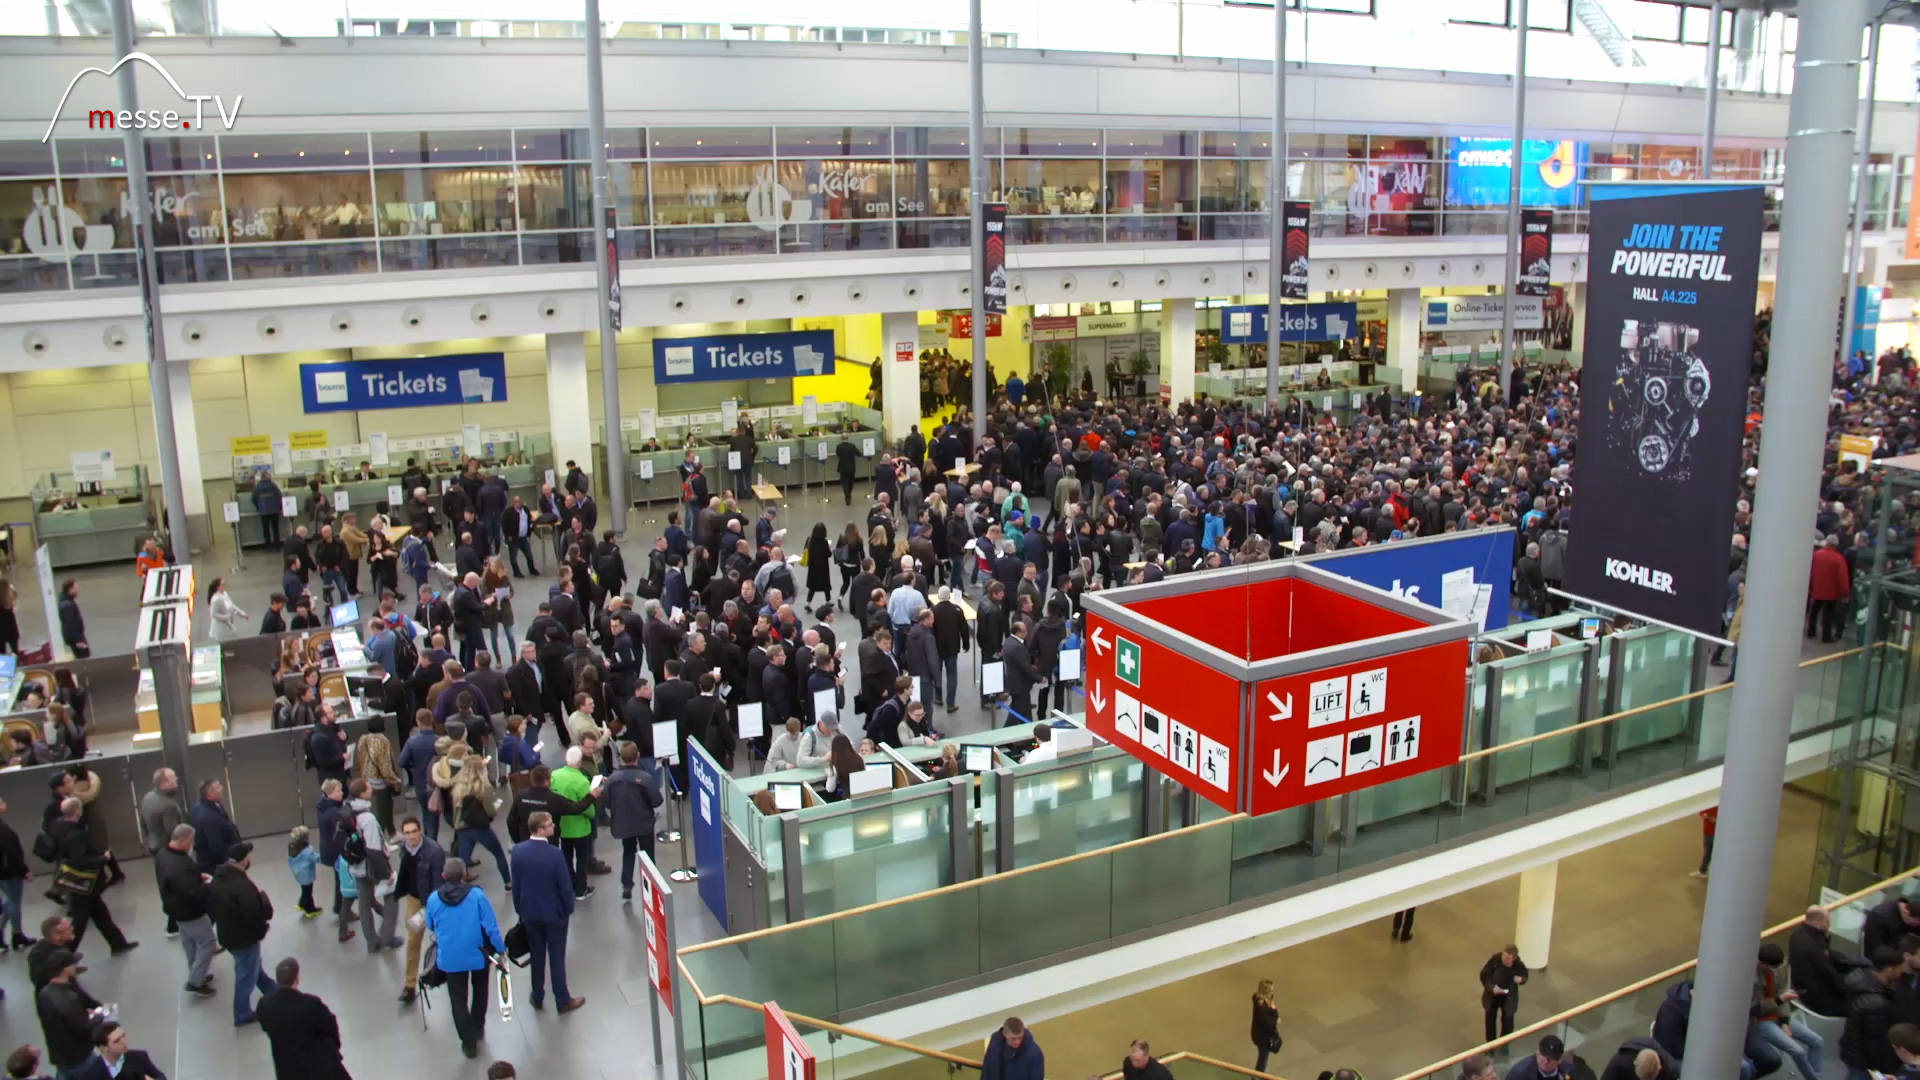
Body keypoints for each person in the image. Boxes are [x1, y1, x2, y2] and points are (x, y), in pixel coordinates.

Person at [422, 857, 506, 1060]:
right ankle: (478, 1026)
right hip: (478, 954)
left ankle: (468, 1042)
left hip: (450, 958)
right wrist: (500, 949)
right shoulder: (477, 896)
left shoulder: (434, 899)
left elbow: (430, 924)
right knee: (480, 989)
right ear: (464, 875)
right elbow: (491, 927)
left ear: (443, 876)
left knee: (458, 1000)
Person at [509, 811, 585, 1014]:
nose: (553, 827)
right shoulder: (554, 854)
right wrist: (569, 908)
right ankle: (562, 1000)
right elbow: (564, 885)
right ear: (540, 829)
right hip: (555, 915)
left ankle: (537, 995)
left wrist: (520, 910)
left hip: (530, 914)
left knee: (537, 955)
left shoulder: (517, 852)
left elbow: (516, 886)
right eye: (550, 824)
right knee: (557, 958)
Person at [46, 797, 134, 955]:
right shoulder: (78, 835)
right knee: (79, 922)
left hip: (74, 882)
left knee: (101, 914)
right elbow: (80, 860)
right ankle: (64, 956)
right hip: (84, 884)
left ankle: (118, 943)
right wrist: (103, 859)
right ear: (77, 811)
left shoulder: (57, 827)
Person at [207, 841, 278, 1027]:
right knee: (246, 976)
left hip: (228, 935)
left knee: (254, 968)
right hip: (244, 938)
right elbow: (253, 914)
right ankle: (242, 1013)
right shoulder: (242, 886)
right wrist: (261, 931)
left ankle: (275, 992)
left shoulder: (219, 879)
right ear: (243, 859)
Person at [255, 957, 353, 1080]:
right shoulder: (311, 1004)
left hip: (287, 1068)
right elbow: (330, 1027)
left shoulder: (265, 1004)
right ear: (297, 978)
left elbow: (265, 1026)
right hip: (320, 1066)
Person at [155, 824, 216, 998]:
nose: (192, 844)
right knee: (208, 941)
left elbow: (179, 883)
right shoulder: (179, 865)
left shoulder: (163, 855)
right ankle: (196, 980)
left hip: (175, 910)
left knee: (189, 942)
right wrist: (207, 885)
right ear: (182, 840)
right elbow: (192, 892)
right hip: (191, 911)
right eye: (191, 840)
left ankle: (197, 972)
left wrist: (197, 876)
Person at [1751, 942, 1824, 1080]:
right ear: (1763, 964)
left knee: (1817, 1041)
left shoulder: (1776, 970)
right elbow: (1755, 1009)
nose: (1777, 969)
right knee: (1798, 1051)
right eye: (1774, 967)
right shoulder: (1752, 979)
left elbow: (1781, 991)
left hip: (1778, 1015)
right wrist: (1780, 999)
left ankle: (1814, 1076)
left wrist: (1785, 1020)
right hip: (1761, 1021)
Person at [394, 816, 446, 1006]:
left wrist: (430, 909)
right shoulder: (404, 849)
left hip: (432, 902)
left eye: (414, 832)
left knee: (443, 939)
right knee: (413, 941)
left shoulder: (434, 852)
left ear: (420, 831)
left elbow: (438, 885)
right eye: (407, 833)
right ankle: (409, 985)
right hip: (414, 899)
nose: (411, 836)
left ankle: (447, 973)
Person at [605, 742, 663, 901]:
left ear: (621, 758)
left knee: (628, 851)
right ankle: (650, 885)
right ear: (637, 756)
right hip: (644, 823)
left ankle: (627, 884)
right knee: (648, 855)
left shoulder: (612, 779)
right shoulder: (645, 778)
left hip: (624, 825)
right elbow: (657, 800)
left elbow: (606, 801)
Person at [34, 949, 102, 1080]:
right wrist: (97, 1017)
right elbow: (83, 1028)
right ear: (65, 969)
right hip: (78, 1057)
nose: (76, 966)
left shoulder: (44, 993)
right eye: (73, 963)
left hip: (59, 1056)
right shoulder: (68, 999)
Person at [1841, 946, 1904, 1080]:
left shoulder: (1858, 981)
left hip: (1851, 1048)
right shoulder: (1877, 1005)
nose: (1902, 971)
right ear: (1890, 970)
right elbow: (1876, 1044)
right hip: (1863, 1061)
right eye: (1900, 968)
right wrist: (1886, 1070)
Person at [1790, 904, 1855, 1017]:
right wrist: (1852, 990)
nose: (1829, 925)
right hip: (1818, 998)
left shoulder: (1798, 933)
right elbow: (1829, 974)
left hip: (1808, 988)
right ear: (1817, 922)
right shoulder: (1813, 947)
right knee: (1860, 1007)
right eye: (1827, 922)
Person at [71, 1022, 164, 1080]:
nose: (124, 1042)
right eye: (116, 1041)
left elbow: (160, 1077)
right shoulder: (91, 1075)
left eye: (123, 1036)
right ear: (103, 1048)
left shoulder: (140, 1057)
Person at [189, 780, 240, 876]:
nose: (221, 788)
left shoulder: (214, 804)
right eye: (218, 787)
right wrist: (229, 862)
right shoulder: (209, 817)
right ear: (210, 793)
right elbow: (216, 847)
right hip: (213, 865)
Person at [1480, 945, 1528, 1045]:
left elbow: (1524, 975)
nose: (1503, 959)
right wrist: (1492, 988)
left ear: (1513, 959)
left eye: (1507, 958)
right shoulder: (1495, 960)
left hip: (1508, 998)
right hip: (1493, 996)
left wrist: (1521, 979)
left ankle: (1504, 1043)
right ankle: (1490, 1045)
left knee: (1508, 1022)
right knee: (1490, 1021)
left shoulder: (1518, 965)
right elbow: (1484, 974)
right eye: (1503, 956)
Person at [0, 795, 27, 952]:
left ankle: (18, 933)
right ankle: (14, 933)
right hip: (9, 871)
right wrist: (24, 870)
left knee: (10, 901)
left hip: (3, 871)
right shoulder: (3, 829)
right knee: (13, 902)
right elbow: (12, 853)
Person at [1864, 894, 1920, 960]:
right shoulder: (1878, 917)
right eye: (1917, 921)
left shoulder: (1913, 915)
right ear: (1907, 913)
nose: (1918, 924)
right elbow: (1875, 949)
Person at [1502, 1035, 1576, 1080]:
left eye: (1550, 1059)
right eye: (1543, 1055)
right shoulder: (1519, 1074)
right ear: (1537, 1051)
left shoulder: (1568, 1070)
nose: (1545, 1061)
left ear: (1559, 1060)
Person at [1250, 979, 1281, 1073]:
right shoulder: (1264, 1007)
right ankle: (1257, 1077)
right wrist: (1275, 1018)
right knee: (1262, 1061)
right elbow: (1268, 1023)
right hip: (1263, 1037)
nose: (1272, 993)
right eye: (1271, 991)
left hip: (1258, 1033)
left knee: (1262, 1058)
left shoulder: (1258, 1000)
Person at [207, 578, 248, 642]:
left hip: (228, 625)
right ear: (218, 587)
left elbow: (231, 605)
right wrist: (226, 617)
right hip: (220, 629)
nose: (224, 586)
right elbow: (213, 614)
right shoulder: (215, 599)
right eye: (223, 585)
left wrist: (242, 614)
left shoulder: (224, 594)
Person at [57, 581, 87, 659]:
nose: (78, 590)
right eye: (76, 588)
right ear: (70, 589)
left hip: (77, 637)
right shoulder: (68, 605)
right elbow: (69, 625)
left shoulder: (67, 602)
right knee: (83, 657)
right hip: (76, 638)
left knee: (84, 655)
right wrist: (77, 641)